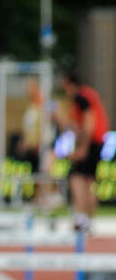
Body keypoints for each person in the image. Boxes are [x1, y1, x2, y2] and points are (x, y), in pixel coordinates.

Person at [59, 67, 110, 232]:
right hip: (97, 142)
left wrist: (82, 149)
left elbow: (89, 124)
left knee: (77, 177)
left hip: (91, 143)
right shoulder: (87, 95)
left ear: (69, 83)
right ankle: (88, 220)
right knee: (88, 180)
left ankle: (81, 218)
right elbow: (80, 126)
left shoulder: (81, 97)